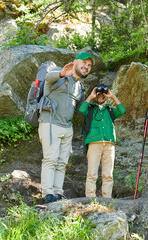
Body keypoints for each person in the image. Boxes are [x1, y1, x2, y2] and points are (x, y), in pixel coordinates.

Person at [38, 52, 95, 204]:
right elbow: (49, 78)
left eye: (89, 66)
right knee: (50, 159)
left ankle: (57, 192)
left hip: (67, 128)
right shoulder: (59, 77)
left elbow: (82, 111)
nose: (86, 67)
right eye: (84, 63)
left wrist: (93, 100)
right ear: (75, 62)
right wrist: (63, 73)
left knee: (62, 162)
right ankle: (47, 193)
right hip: (50, 123)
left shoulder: (80, 87)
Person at [79, 84, 126, 198]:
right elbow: (81, 110)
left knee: (108, 174)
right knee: (92, 173)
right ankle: (90, 198)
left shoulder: (109, 110)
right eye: (98, 94)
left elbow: (122, 110)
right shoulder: (90, 109)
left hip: (109, 144)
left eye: (103, 94)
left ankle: (107, 198)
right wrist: (91, 96)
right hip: (94, 143)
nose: (101, 96)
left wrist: (112, 96)